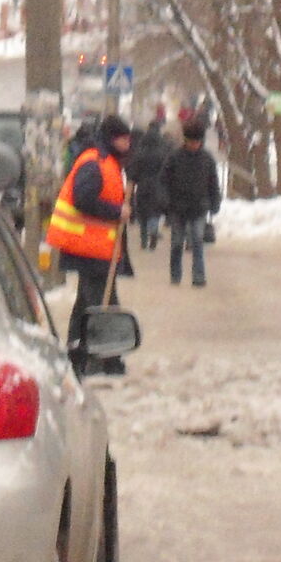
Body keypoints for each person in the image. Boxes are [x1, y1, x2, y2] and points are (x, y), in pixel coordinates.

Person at [46, 114, 133, 376]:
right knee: (102, 305)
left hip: (94, 247)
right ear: (112, 138)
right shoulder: (95, 163)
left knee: (87, 302)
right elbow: (82, 199)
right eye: (123, 138)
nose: (128, 143)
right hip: (88, 246)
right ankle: (105, 357)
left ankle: (78, 353)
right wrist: (116, 212)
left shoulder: (108, 161)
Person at [161, 114, 221, 286]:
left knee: (197, 240)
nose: (194, 145)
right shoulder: (174, 157)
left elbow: (213, 182)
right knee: (177, 243)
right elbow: (163, 180)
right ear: (185, 140)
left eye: (197, 142)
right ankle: (175, 274)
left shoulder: (207, 159)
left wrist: (215, 202)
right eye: (191, 142)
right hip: (178, 207)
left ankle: (198, 276)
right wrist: (165, 201)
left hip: (199, 207)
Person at [128, 118, 170, 251]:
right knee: (155, 211)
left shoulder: (140, 151)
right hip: (158, 186)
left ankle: (144, 239)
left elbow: (134, 170)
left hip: (142, 186)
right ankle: (153, 231)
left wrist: (132, 182)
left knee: (142, 213)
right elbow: (167, 169)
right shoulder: (162, 151)